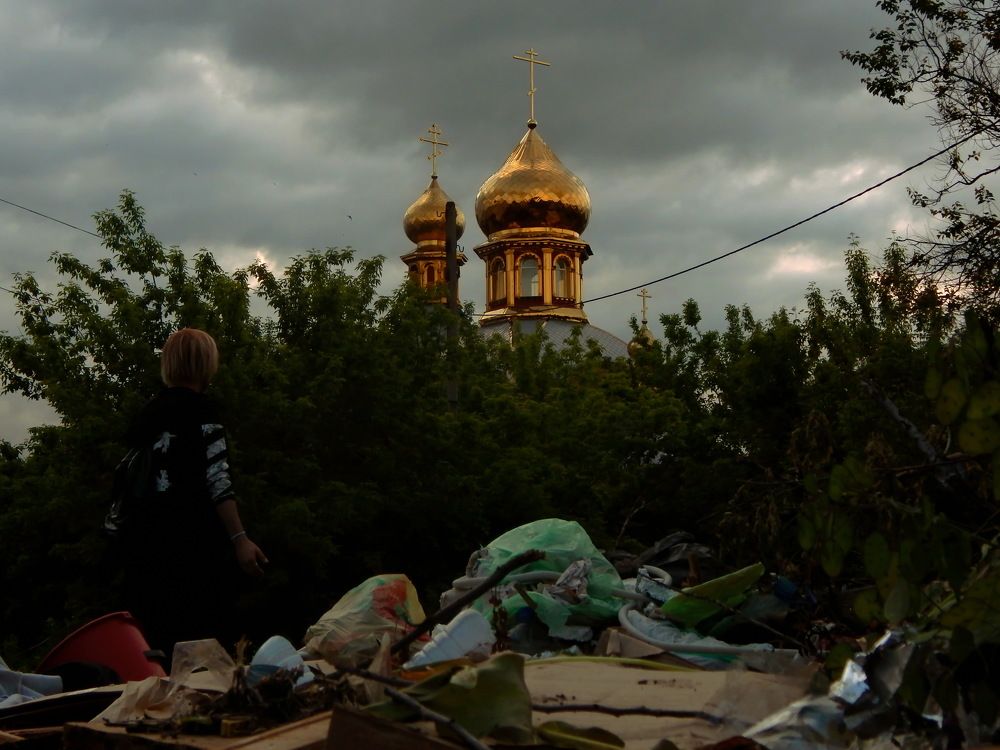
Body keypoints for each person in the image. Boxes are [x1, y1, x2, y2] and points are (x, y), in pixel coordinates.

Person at [121, 327, 267, 661]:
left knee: (161, 650)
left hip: (145, 551)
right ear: (206, 364)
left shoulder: (146, 416)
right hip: (197, 548)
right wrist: (240, 539)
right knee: (207, 649)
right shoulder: (204, 412)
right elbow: (217, 478)